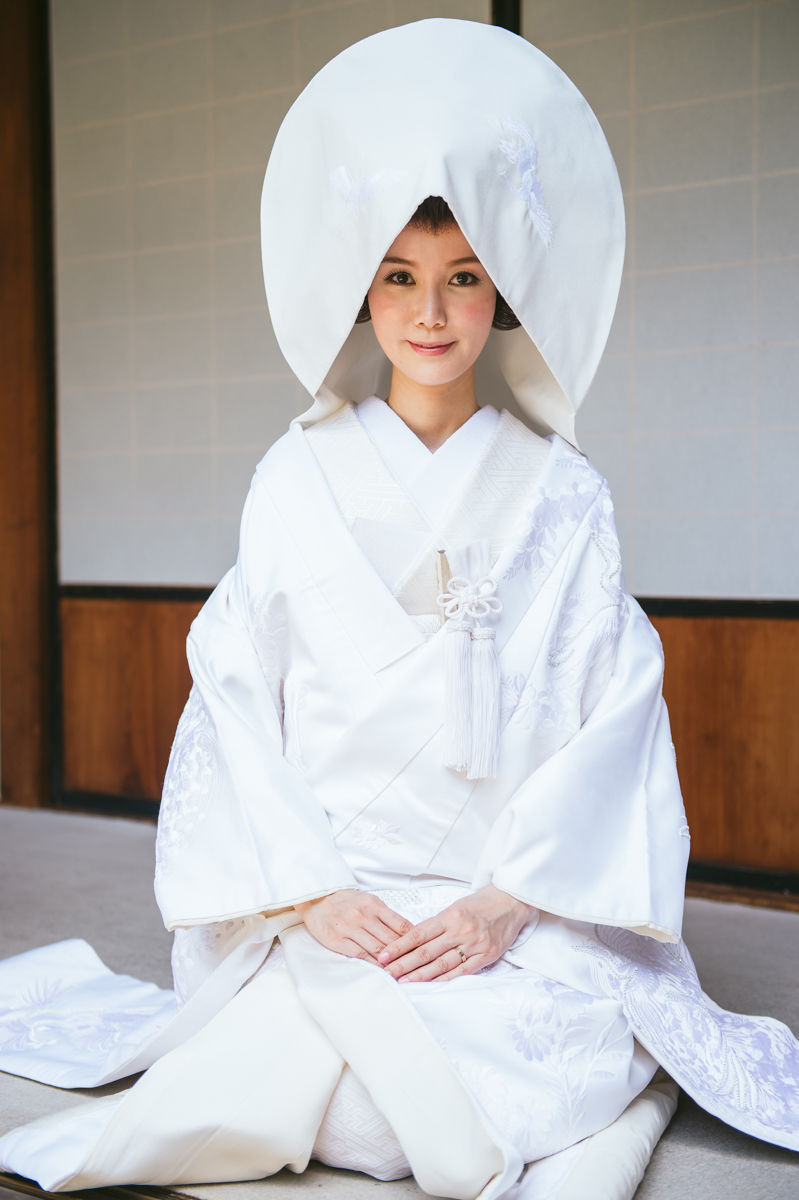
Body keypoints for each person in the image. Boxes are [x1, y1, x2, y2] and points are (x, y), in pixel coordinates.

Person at [0, 19, 797, 1200]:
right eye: (401, 278)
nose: (432, 314)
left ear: (500, 296)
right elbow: (232, 694)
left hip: (508, 905)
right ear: (363, 292)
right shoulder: (293, 477)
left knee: (484, 1067)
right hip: (331, 897)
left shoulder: (566, 497)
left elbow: (612, 711)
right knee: (375, 1108)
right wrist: (310, 892)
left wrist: (505, 904)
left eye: (465, 278)